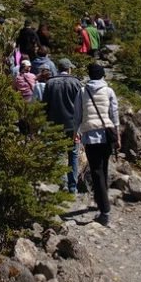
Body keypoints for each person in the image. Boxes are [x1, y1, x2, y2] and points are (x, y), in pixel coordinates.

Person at [74, 61, 120, 225]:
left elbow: (78, 115)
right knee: (103, 169)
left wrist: (75, 132)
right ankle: (103, 202)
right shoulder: (109, 91)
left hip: (90, 136)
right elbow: (114, 115)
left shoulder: (82, 91)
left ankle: (104, 210)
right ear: (102, 75)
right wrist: (118, 137)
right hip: (107, 135)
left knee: (96, 172)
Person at [41, 58, 83, 194]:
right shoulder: (76, 82)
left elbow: (44, 105)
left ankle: (63, 183)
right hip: (73, 125)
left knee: (59, 155)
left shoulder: (50, 83)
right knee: (73, 154)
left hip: (55, 125)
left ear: (58, 68)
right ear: (69, 68)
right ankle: (72, 186)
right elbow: (81, 106)